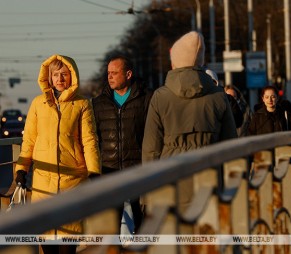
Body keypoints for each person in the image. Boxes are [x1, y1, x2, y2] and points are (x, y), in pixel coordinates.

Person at [14, 54, 101, 254]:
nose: (60, 79)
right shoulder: (37, 104)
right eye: (55, 75)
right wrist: (21, 169)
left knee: (69, 243)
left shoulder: (82, 104)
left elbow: (89, 141)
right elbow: (29, 141)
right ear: (49, 77)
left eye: (64, 74)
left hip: (74, 180)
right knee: (46, 240)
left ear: (72, 76)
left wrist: (94, 172)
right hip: (44, 181)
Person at [142, 31, 237, 212]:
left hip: (169, 178)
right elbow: (230, 144)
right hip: (210, 177)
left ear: (175, 62)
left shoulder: (161, 97)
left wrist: (147, 193)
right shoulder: (219, 96)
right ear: (201, 62)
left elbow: (151, 149)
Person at [92, 55, 153, 235]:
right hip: (109, 172)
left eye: (114, 73)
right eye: (108, 73)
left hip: (138, 171)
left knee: (144, 227)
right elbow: (94, 139)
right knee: (110, 230)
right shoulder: (98, 103)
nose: (109, 77)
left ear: (128, 74)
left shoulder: (146, 99)